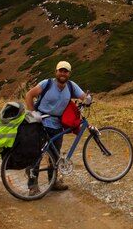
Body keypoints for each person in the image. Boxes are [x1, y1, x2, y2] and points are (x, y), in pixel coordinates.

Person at [24, 60, 91, 192]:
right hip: (41, 123)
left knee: (55, 156)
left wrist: (88, 99)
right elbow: (29, 95)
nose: (63, 73)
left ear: (69, 73)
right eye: (60, 70)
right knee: (37, 154)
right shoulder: (47, 84)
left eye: (65, 71)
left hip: (56, 125)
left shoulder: (71, 86)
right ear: (56, 72)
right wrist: (33, 114)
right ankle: (33, 186)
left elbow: (84, 96)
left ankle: (53, 183)